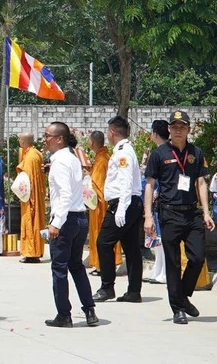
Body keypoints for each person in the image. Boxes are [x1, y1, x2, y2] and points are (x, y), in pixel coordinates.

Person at [144, 110, 215, 324]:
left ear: (188, 129)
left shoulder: (196, 152)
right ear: (168, 129)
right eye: (174, 127)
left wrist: (206, 212)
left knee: (197, 257)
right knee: (173, 263)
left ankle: (182, 296)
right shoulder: (160, 154)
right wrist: (148, 215)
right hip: (169, 212)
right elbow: (150, 185)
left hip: (191, 213)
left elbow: (201, 182)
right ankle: (178, 308)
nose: (178, 130)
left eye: (182, 127)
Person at [43, 122, 98, 328]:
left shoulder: (60, 162)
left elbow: (65, 195)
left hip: (65, 220)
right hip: (80, 217)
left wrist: (56, 223)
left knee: (59, 268)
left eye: (48, 136)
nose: (45, 139)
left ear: (60, 139)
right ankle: (89, 310)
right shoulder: (73, 158)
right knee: (76, 266)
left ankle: (64, 314)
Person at [93, 116, 143, 303]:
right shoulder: (123, 150)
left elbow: (125, 180)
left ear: (112, 132)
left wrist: (121, 208)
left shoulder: (123, 152)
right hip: (129, 202)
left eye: (108, 132)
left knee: (103, 243)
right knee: (131, 248)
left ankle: (107, 287)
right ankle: (134, 291)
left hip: (123, 203)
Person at [85, 131, 121, 274]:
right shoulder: (105, 156)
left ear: (92, 143)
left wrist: (88, 178)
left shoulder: (101, 160)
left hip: (101, 206)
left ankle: (101, 266)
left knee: (100, 235)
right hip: (107, 203)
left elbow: (97, 187)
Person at [144, 120, 170, 285]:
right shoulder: (157, 152)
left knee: (164, 239)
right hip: (155, 201)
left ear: (155, 133)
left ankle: (165, 272)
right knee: (158, 239)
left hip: (162, 199)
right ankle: (158, 268)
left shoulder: (165, 152)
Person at [17, 133, 45, 263]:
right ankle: (33, 252)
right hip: (33, 195)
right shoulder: (34, 153)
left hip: (31, 197)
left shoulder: (31, 157)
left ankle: (31, 252)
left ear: (23, 141)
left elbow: (27, 181)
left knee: (31, 221)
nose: (18, 141)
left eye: (20, 139)